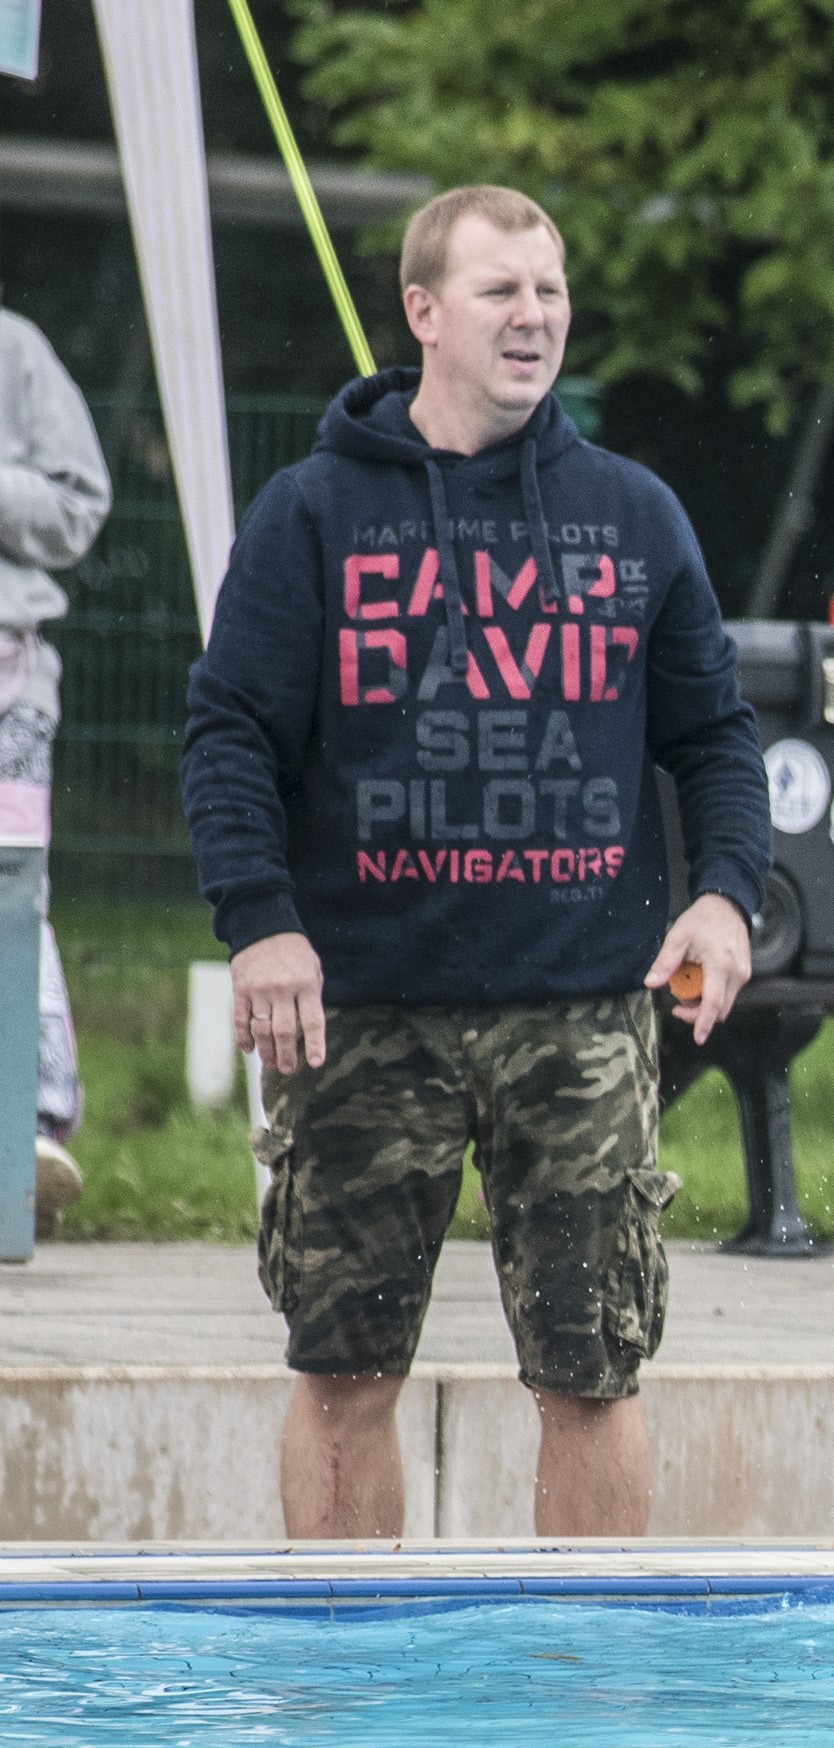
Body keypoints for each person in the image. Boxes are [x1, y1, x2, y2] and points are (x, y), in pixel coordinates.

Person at [181, 185, 769, 1537]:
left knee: (594, 1372)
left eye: (551, 290)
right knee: (341, 1371)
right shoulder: (312, 515)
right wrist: (259, 920)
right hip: (363, 1009)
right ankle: (344, 1689)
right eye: (503, 289)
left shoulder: (632, 515)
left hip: (578, 1011)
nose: (535, 315)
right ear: (424, 312)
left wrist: (726, 891)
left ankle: (589, 1697)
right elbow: (228, 735)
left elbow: (716, 735)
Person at [0, 302, 114, 1237]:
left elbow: (79, 507)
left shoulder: (15, 351)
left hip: (8, 682)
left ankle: (28, 1120)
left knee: (11, 896)